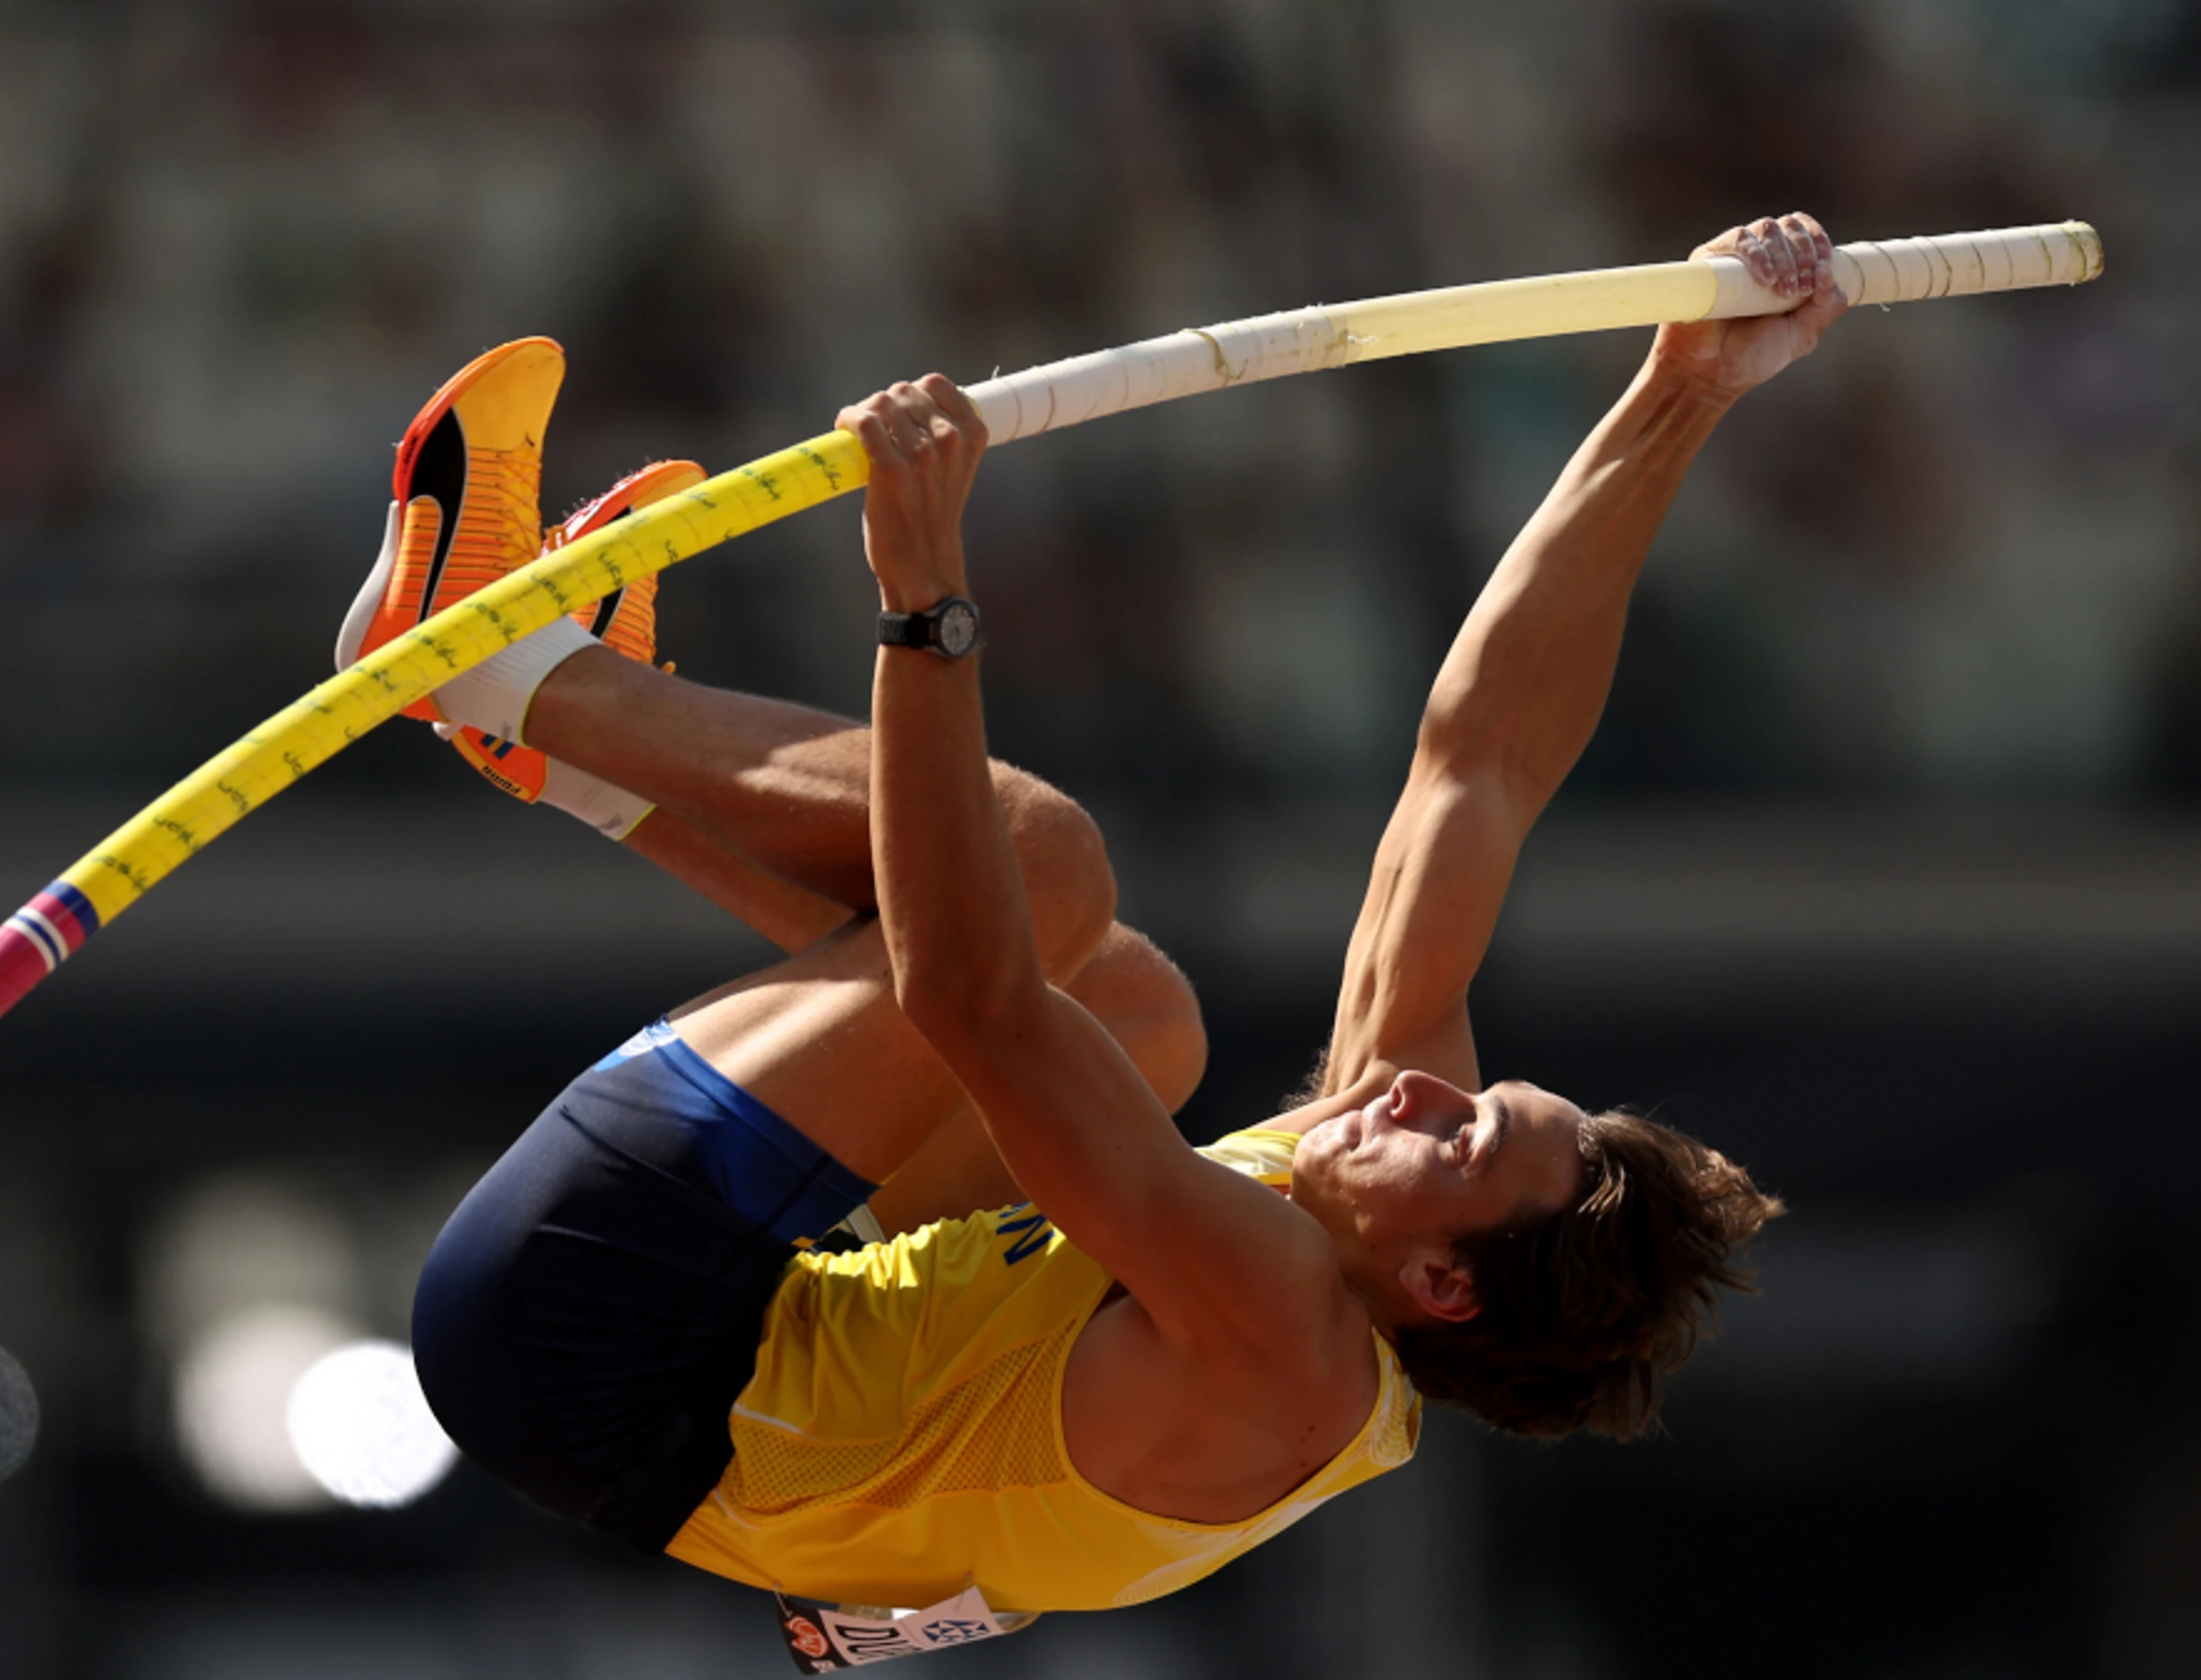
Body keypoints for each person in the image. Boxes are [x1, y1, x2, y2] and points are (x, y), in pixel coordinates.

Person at [353, 215, 1836, 1638]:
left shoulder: (1282, 1349)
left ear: (1445, 1287)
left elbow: (971, 1001)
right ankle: (583, 757)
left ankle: (494, 659)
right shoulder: (1378, 1221)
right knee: (1141, 1018)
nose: (1422, 1086)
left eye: (1460, 1138)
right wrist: (1680, 390)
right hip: (752, 1350)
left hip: (593, 1345)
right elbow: (1483, 764)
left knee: (1037, 865)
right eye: (1475, 1098)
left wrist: (924, 593)